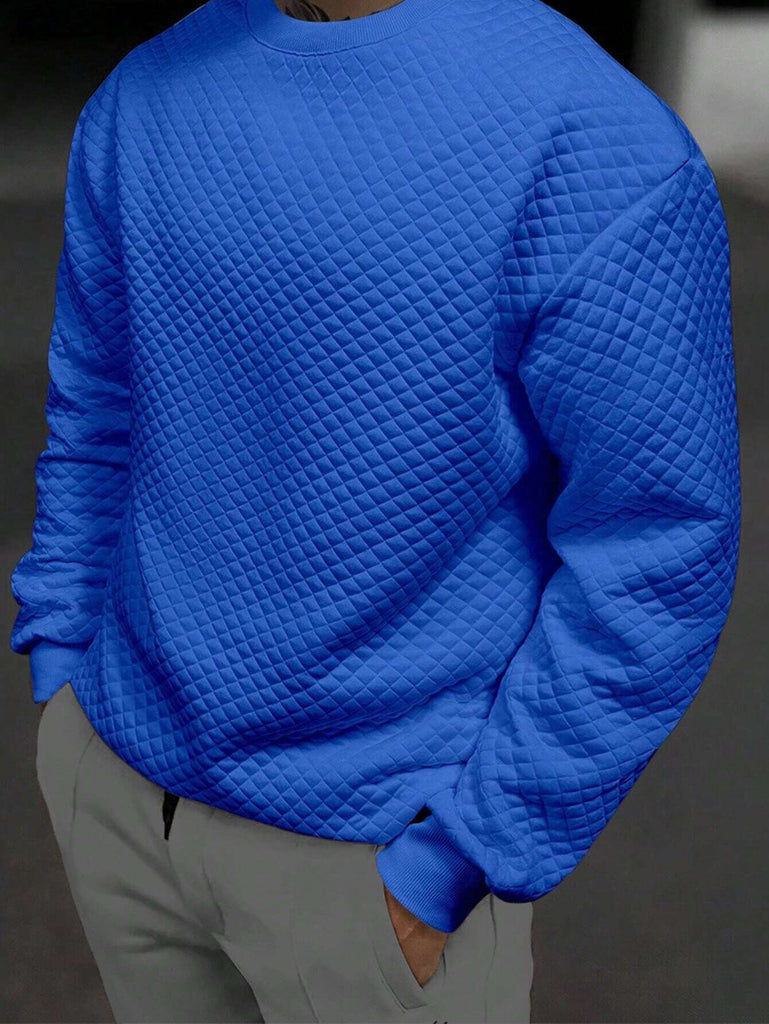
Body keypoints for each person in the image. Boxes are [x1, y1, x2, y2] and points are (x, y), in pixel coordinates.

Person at [11, 0, 741, 1021]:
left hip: (376, 855)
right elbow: (98, 407)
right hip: (120, 788)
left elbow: (659, 545)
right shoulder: (140, 97)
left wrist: (461, 857)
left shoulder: (590, 141)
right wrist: (61, 658)